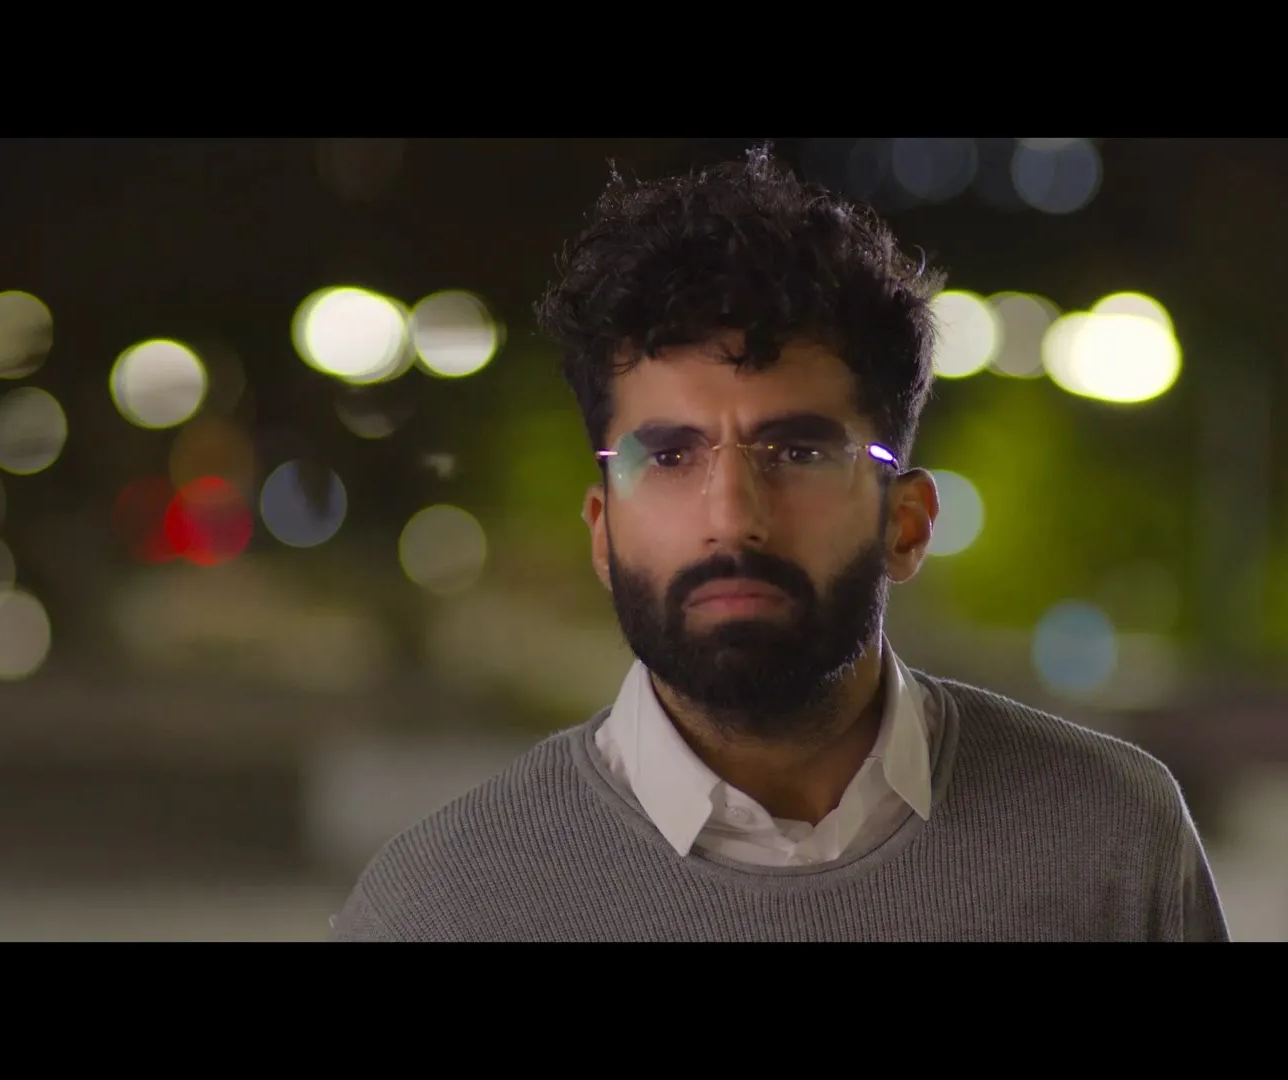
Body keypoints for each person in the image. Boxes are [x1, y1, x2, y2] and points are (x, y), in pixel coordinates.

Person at [330, 146, 1229, 942]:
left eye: (798, 452)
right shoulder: (440, 908)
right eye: (669, 456)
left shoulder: (1114, 845)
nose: (733, 517)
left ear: (907, 522)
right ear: (603, 531)